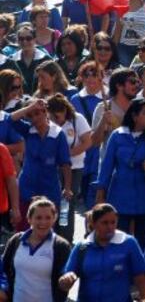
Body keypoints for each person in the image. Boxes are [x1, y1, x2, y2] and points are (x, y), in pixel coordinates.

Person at [95, 96, 145, 248]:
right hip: (120, 198)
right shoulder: (118, 135)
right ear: (134, 116)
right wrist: (100, 193)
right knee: (118, 242)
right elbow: (106, 166)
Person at [58, 203, 145, 302]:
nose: (110, 227)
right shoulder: (82, 248)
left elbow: (141, 280)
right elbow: (65, 280)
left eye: (113, 222)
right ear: (93, 224)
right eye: (105, 223)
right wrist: (66, 280)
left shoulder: (129, 243)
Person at [9, 99, 72, 228]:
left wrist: (67, 187)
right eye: (30, 116)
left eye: (37, 113)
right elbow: (10, 120)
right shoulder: (28, 130)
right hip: (26, 189)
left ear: (45, 112)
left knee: (46, 229)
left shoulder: (58, 134)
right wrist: (30, 107)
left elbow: (65, 163)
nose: (34, 118)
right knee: (23, 229)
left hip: (49, 190)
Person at [0, 198, 72, 302]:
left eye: (48, 218)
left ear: (54, 219)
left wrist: (66, 280)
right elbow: (4, 269)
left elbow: (65, 274)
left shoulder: (61, 246)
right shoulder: (16, 241)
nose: (43, 222)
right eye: (38, 217)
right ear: (29, 219)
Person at [46, 94, 91, 240]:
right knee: (51, 203)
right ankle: (50, 236)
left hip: (74, 168)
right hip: (52, 168)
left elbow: (87, 142)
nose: (56, 120)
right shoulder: (46, 121)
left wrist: (66, 154)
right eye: (53, 117)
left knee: (66, 204)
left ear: (65, 110)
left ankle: (65, 239)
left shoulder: (78, 119)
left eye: (58, 116)